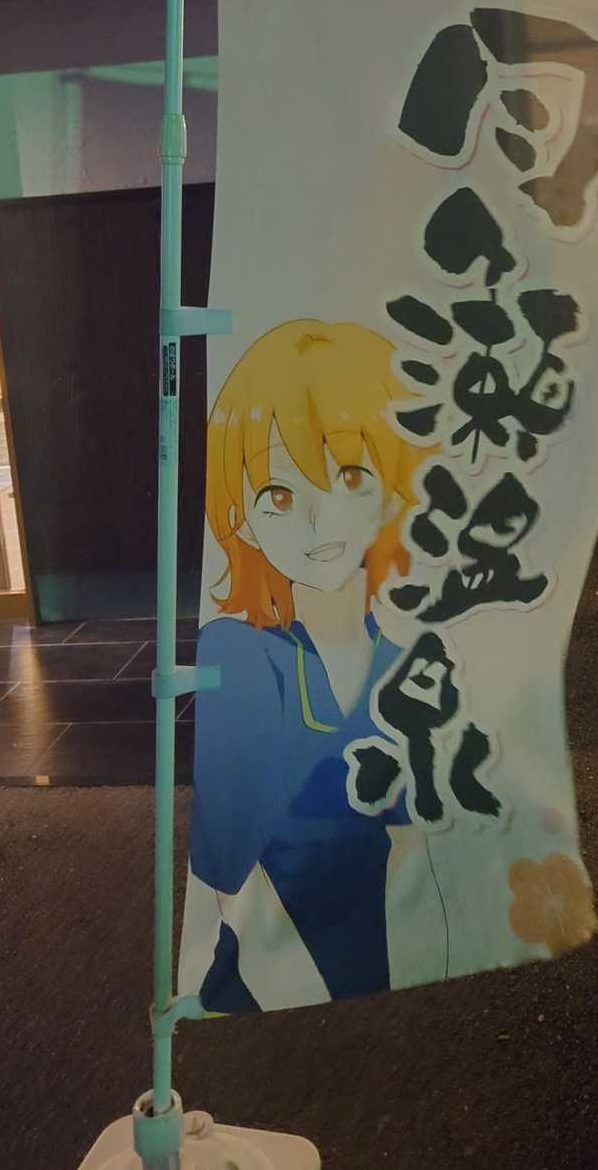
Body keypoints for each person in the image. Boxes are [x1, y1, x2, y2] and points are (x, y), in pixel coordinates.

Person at [183, 319, 434, 1010]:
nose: (320, 521)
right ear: (241, 515)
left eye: (349, 477)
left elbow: (428, 853)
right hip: (277, 998)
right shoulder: (241, 654)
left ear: (393, 487)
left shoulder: (407, 663)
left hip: (397, 978)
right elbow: (226, 866)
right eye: (279, 494)